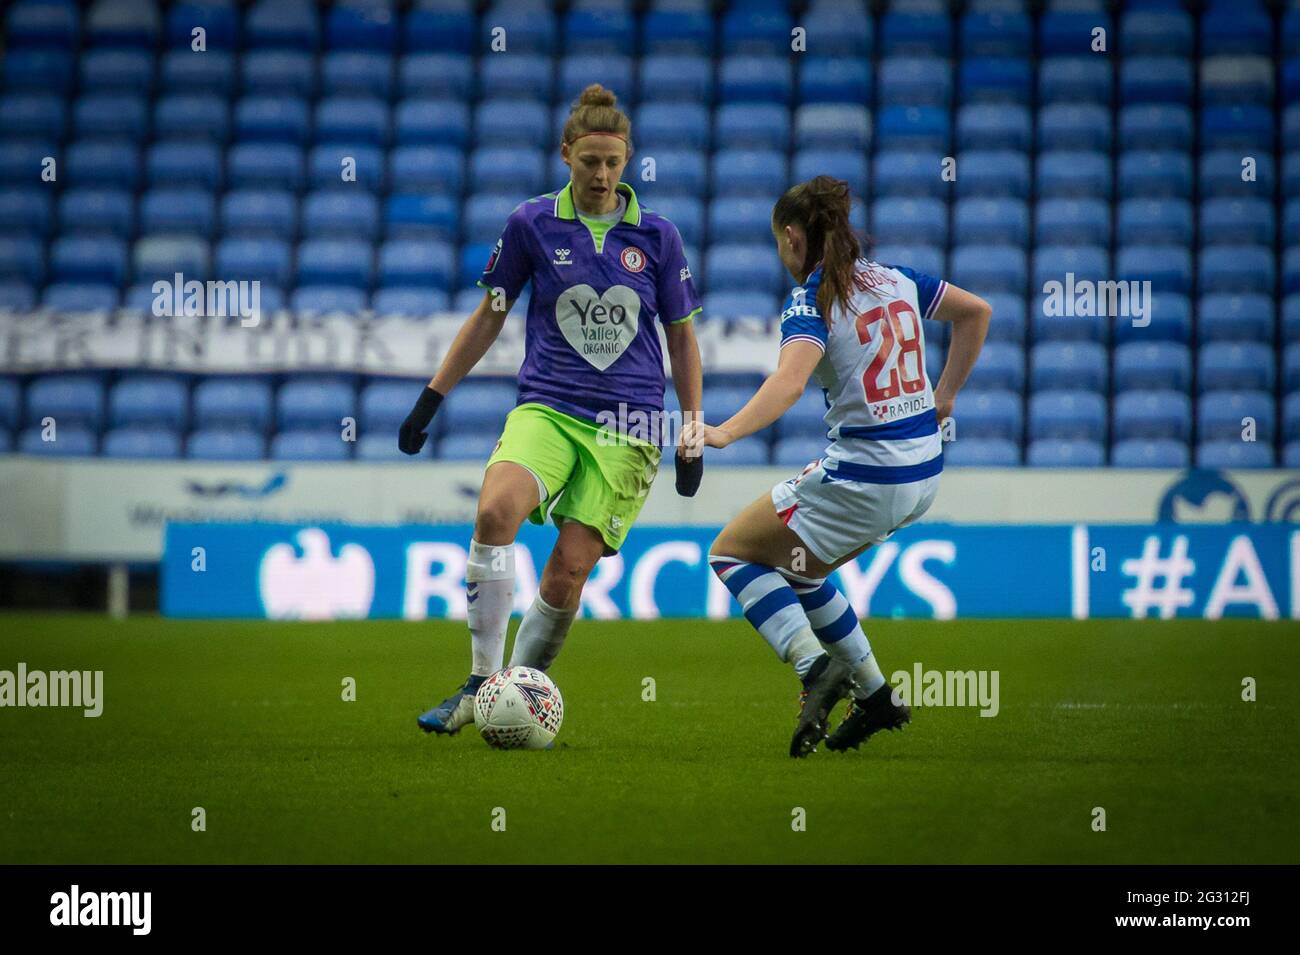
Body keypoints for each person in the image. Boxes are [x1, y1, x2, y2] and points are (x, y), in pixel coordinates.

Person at [398, 85, 705, 734]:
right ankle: (480, 684)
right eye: (588, 160)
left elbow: (682, 336)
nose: (600, 175)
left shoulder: (659, 235)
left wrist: (693, 426)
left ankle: (515, 694)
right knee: (493, 510)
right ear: (565, 153)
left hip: (631, 424)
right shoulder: (531, 223)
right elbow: (491, 315)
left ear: (628, 162)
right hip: (549, 405)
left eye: (612, 163)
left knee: (566, 573)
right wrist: (433, 396)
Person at [683, 176, 990, 757]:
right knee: (800, 569)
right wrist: (944, 395)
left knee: (730, 553)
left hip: (868, 475)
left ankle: (815, 670)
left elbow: (789, 382)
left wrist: (723, 430)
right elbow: (977, 312)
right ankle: (876, 698)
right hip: (923, 468)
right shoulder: (895, 278)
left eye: (780, 242)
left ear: (794, 238)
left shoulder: (812, 298)